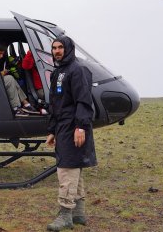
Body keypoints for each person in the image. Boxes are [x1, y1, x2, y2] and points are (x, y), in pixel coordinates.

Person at [45, 35, 97, 230]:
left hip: (74, 127)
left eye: (60, 48)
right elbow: (55, 103)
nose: (57, 51)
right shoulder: (59, 72)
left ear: (68, 49)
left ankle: (66, 214)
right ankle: (78, 214)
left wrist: (80, 126)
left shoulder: (77, 71)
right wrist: (52, 129)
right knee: (74, 167)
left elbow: (83, 100)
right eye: (54, 48)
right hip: (63, 127)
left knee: (66, 169)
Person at [0, 42, 37, 116]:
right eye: (0, 53)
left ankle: (26, 104)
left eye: (3, 54)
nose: (1, 56)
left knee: (11, 79)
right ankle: (15, 108)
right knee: (10, 79)